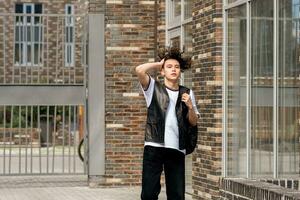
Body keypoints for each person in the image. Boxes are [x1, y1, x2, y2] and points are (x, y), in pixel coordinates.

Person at [135, 47, 200, 200]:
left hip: (176, 148)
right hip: (154, 146)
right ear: (163, 71)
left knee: (177, 195)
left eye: (177, 67)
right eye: (169, 67)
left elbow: (193, 121)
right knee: (149, 194)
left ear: (180, 71)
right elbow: (139, 70)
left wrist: (190, 107)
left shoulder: (187, 93)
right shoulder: (153, 88)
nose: (173, 70)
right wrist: (158, 65)